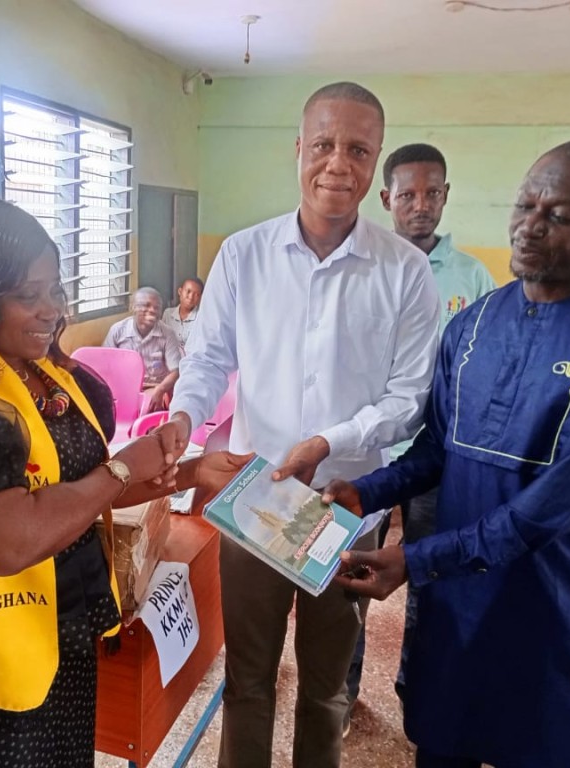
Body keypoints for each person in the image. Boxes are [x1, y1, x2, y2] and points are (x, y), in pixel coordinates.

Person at [0, 198, 248, 768]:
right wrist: (122, 467)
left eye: (54, 290)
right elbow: (9, 542)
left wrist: (187, 474)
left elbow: (81, 495)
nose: (50, 311)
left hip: (59, 628)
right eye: (26, 295)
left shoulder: (53, 377)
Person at [326, 139, 570, 768]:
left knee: (554, 741)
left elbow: (558, 503)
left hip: (555, 600)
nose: (531, 226)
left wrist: (416, 558)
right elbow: (438, 449)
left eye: (561, 215)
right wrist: (366, 491)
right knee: (446, 740)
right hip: (458, 600)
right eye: (524, 206)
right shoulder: (472, 325)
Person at [155, 82, 440, 768]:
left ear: (375, 165)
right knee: (247, 679)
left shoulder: (405, 271)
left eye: (358, 150)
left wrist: (329, 443)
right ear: (299, 150)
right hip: (256, 500)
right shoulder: (244, 254)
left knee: (326, 689)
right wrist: (184, 418)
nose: (338, 163)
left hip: (347, 509)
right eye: (323, 145)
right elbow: (208, 358)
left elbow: (409, 398)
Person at [347, 142, 497, 715]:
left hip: (438, 457)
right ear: (387, 199)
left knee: (430, 571)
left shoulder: (473, 277)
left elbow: (487, 369)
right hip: (371, 453)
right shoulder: (365, 265)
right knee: (350, 570)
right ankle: (344, 690)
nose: (421, 205)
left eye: (432, 193)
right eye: (408, 195)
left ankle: (419, 688)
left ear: (446, 195)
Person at [103, 286, 181, 413]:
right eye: (146, 305)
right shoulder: (117, 331)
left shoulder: (167, 334)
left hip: (153, 387)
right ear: (133, 307)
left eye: (157, 307)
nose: (152, 310)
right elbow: (104, 365)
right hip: (122, 387)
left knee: (148, 406)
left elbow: (176, 371)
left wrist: (160, 389)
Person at [162, 276, 203, 350]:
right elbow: (162, 340)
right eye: (188, 291)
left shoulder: (201, 317)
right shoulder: (168, 314)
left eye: (196, 294)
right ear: (180, 291)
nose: (191, 297)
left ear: (200, 298)